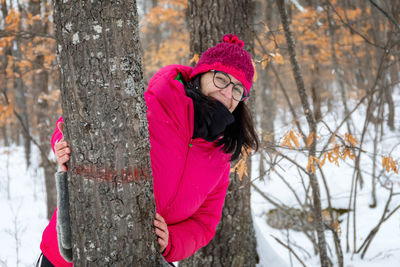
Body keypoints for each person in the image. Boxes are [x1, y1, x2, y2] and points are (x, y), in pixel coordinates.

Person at [37, 33, 258, 266]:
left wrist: (172, 241)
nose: (227, 93)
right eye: (221, 79)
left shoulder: (221, 155)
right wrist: (64, 144)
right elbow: (76, 126)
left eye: (238, 89)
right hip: (71, 253)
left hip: (138, 258)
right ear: (200, 75)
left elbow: (204, 223)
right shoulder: (150, 105)